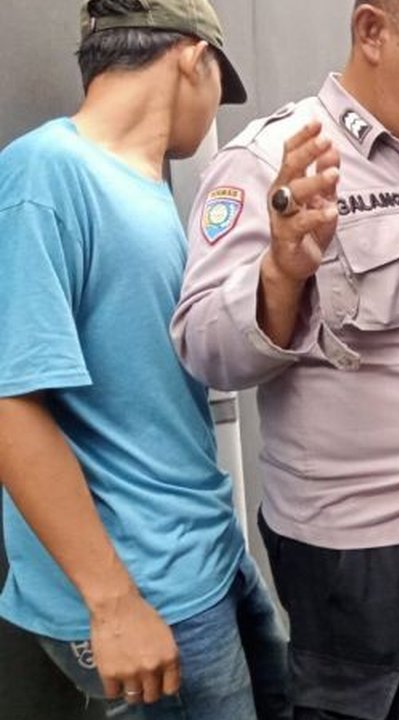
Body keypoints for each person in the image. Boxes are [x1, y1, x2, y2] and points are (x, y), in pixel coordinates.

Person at [170, 0, 399, 717]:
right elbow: (203, 347)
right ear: (372, 32)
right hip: (364, 549)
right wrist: (281, 274)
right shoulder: (275, 161)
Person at [0, 1, 288, 719]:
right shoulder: (43, 174)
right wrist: (114, 602)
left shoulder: (152, 192)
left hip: (207, 557)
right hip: (144, 591)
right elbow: (10, 403)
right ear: (193, 58)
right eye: (221, 81)